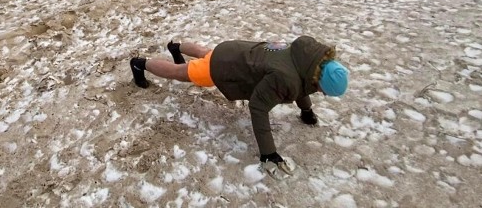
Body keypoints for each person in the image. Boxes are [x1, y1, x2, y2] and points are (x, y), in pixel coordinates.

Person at [129, 35, 349, 177]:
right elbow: (258, 107)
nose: (321, 93)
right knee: (179, 73)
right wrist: (268, 153)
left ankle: (176, 47)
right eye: (324, 91)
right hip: (225, 67)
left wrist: (306, 110)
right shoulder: (287, 78)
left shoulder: (309, 59)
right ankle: (140, 64)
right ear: (320, 82)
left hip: (236, 51)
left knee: (207, 53)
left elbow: (302, 86)